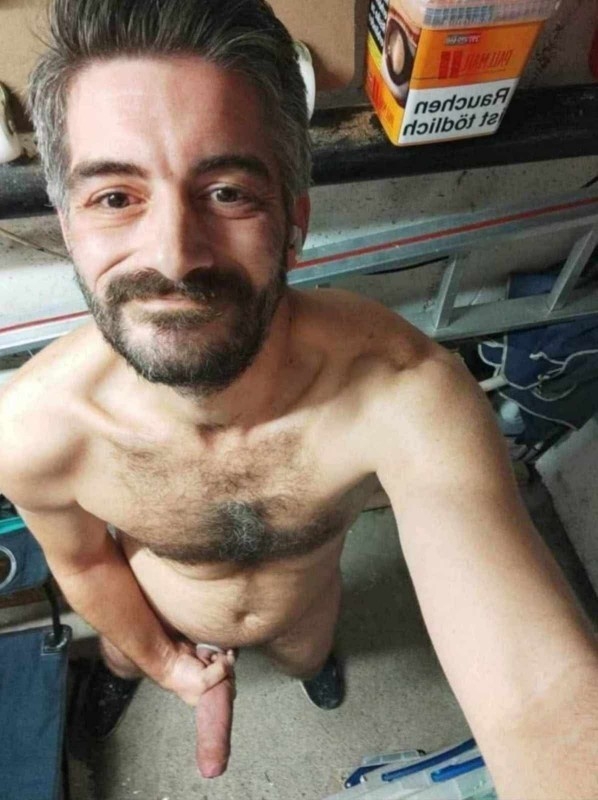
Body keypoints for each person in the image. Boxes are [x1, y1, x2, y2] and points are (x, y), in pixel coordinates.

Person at [0, 0, 597, 794]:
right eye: (115, 197)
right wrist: (164, 662)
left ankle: (309, 667)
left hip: (305, 613)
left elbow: (542, 698)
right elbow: (81, 561)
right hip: (154, 608)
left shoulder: (401, 390)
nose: (173, 256)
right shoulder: (34, 430)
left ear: (294, 223)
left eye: (227, 192)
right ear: (68, 226)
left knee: (307, 655)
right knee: (120, 652)